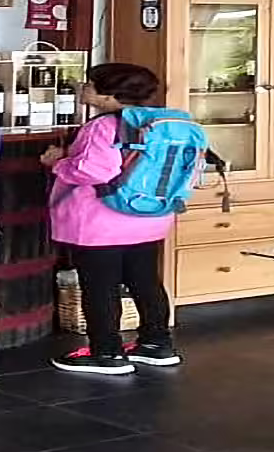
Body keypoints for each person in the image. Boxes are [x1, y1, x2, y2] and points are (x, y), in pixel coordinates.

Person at [40, 63, 180, 376]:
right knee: (145, 281)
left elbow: (93, 171)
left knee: (100, 286)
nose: (83, 88)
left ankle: (107, 352)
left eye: (90, 84)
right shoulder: (162, 121)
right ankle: (157, 344)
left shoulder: (102, 126)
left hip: (103, 220)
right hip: (149, 216)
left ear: (108, 94)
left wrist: (57, 163)